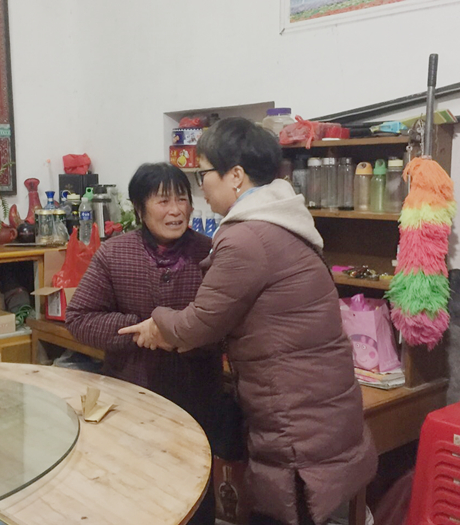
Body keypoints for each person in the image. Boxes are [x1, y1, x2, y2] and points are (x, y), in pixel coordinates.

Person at [120, 118, 378, 525]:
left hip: (296, 417)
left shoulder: (245, 237)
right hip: (319, 404)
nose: (201, 188)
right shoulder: (283, 218)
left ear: (235, 176)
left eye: (203, 174)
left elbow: (197, 325)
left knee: (291, 511)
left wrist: (157, 321)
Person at [65, 162, 222, 525]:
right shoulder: (114, 253)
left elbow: (226, 325)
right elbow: (80, 318)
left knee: (195, 492)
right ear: (139, 208)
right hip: (131, 395)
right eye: (163, 201)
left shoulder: (211, 253)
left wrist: (176, 335)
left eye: (182, 200)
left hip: (197, 396)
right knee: (133, 491)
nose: (176, 210)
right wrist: (142, 331)